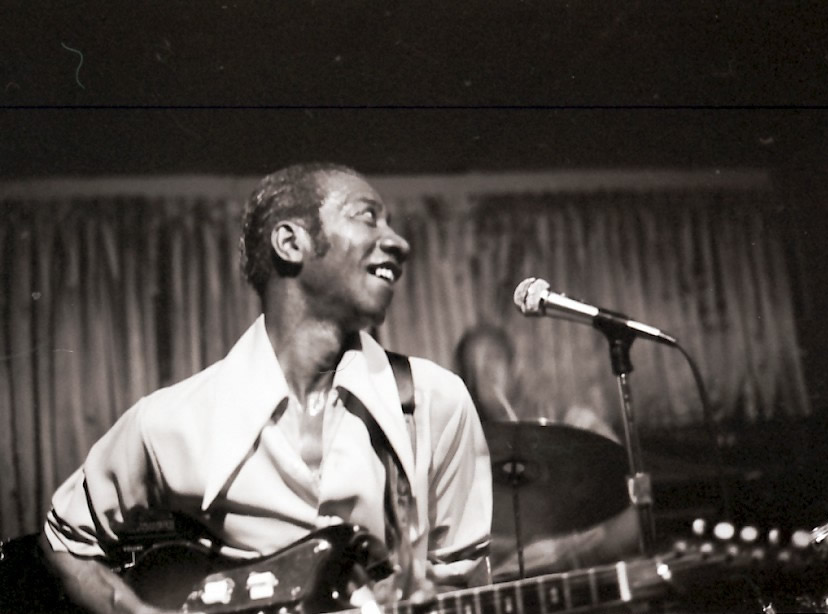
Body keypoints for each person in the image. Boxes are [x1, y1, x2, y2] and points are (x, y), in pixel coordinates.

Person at [41, 163, 492, 614]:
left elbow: (466, 589)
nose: (398, 241)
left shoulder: (434, 402)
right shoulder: (170, 422)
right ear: (291, 242)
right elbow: (64, 540)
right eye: (367, 217)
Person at [453, 323, 640, 578]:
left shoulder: (577, 424)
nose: (485, 374)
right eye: (473, 368)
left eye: (492, 359)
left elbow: (633, 519)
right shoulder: (468, 461)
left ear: (515, 366)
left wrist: (568, 556)